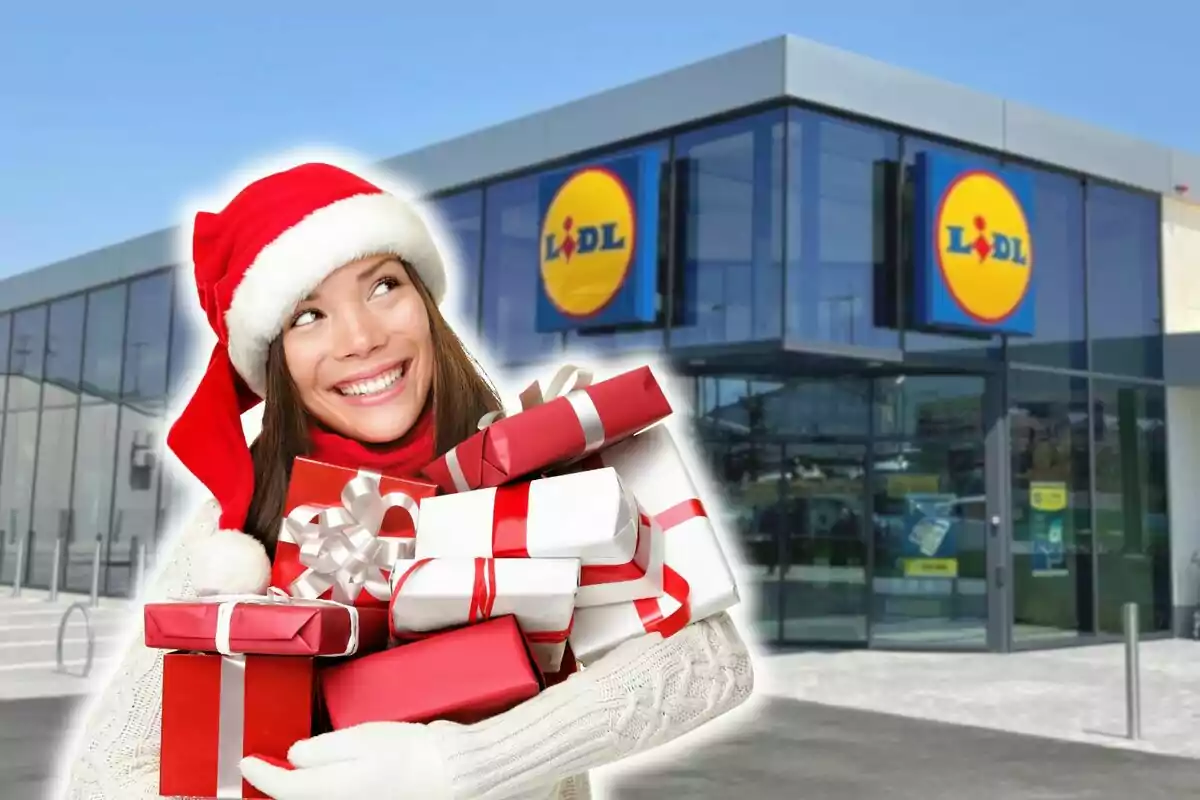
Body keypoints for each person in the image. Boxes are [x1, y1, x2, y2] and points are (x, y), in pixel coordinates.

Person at [59, 156, 756, 800]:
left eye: (383, 286)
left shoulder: (540, 469)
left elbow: (711, 663)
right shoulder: (237, 528)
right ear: (276, 361)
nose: (360, 338)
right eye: (309, 315)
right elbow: (104, 776)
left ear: (425, 302)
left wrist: (461, 763)